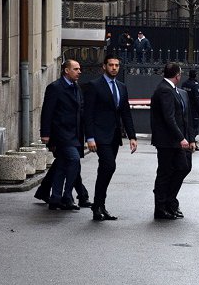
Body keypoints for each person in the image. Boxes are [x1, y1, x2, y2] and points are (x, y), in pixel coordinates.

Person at [83, 54, 137, 220]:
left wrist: (132, 136)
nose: (114, 68)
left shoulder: (121, 87)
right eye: (111, 65)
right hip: (99, 135)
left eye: (117, 65)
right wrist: (90, 137)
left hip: (114, 136)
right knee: (109, 166)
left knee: (105, 169)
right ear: (104, 67)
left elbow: (126, 113)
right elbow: (88, 113)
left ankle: (100, 206)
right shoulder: (94, 86)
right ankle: (97, 205)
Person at [150, 62, 196, 220]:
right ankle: (161, 207)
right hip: (166, 141)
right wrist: (181, 138)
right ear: (178, 75)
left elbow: (184, 118)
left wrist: (190, 138)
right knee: (165, 173)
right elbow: (168, 118)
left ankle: (170, 200)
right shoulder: (164, 90)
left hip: (176, 141)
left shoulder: (177, 91)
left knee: (183, 167)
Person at [40, 59, 84, 211]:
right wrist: (45, 134)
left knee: (61, 165)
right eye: (76, 69)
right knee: (74, 159)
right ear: (66, 70)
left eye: (79, 69)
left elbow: (80, 111)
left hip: (74, 134)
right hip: (61, 134)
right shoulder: (55, 87)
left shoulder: (76, 87)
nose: (79, 71)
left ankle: (55, 198)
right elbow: (47, 111)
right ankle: (67, 196)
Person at [181, 70, 199, 151]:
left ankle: (189, 142)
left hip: (185, 108)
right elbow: (198, 99)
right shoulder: (195, 85)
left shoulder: (184, 84)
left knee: (186, 125)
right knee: (194, 128)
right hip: (193, 110)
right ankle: (192, 143)